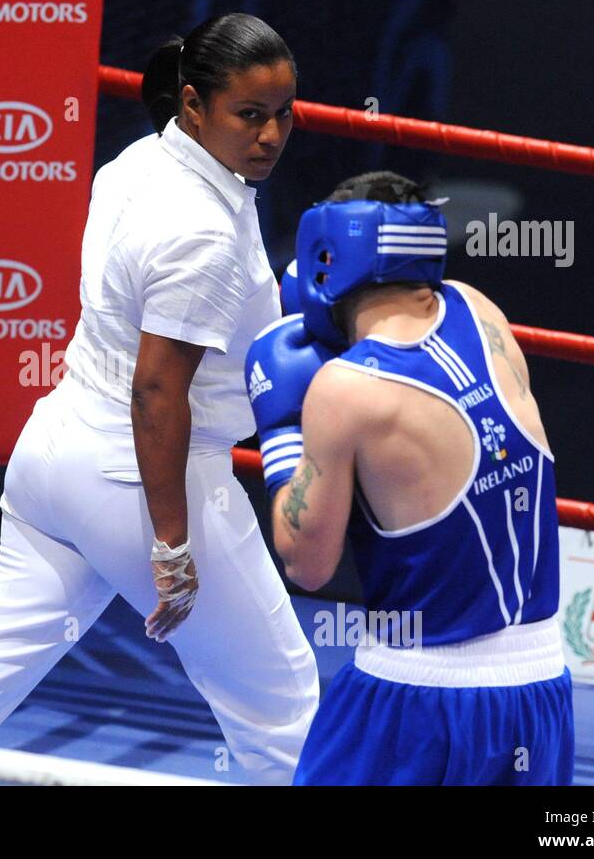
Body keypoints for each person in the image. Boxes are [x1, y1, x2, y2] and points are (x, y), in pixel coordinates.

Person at [0, 13, 318, 786]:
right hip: (144, 480)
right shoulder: (200, 231)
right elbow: (157, 390)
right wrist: (171, 544)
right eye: (250, 115)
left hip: (59, 447)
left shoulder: (139, 163)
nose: (270, 135)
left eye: (283, 115)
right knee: (280, 699)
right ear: (196, 106)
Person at [245, 171, 574, 785]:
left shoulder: (346, 389)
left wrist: (283, 434)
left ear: (325, 256)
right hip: (542, 692)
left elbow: (307, 564)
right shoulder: (480, 312)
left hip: (417, 692)